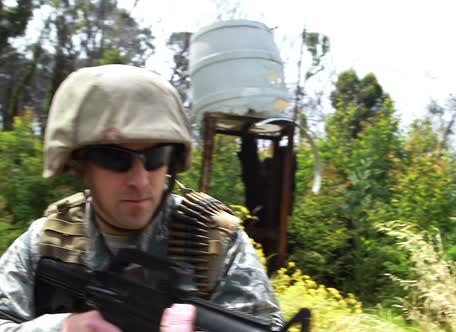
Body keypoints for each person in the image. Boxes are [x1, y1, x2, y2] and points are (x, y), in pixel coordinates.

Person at [0, 64, 283, 331]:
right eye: (114, 158)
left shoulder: (214, 241)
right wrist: (64, 327)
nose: (139, 180)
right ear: (79, 164)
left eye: (155, 156)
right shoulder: (47, 241)